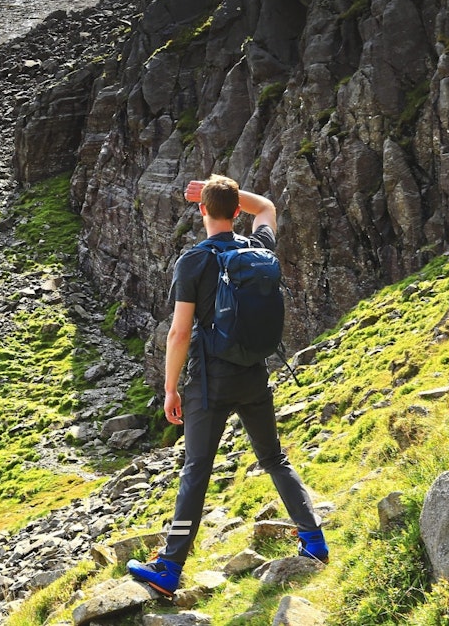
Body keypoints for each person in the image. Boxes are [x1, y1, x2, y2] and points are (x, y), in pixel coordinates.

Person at [126, 174, 327, 598]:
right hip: (254, 373)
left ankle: (170, 568)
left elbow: (179, 333)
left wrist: (169, 388)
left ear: (202, 211)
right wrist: (233, 197)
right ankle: (314, 540)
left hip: (209, 381)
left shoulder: (193, 261)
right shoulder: (258, 247)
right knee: (274, 457)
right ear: (237, 213)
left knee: (196, 470)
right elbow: (268, 207)